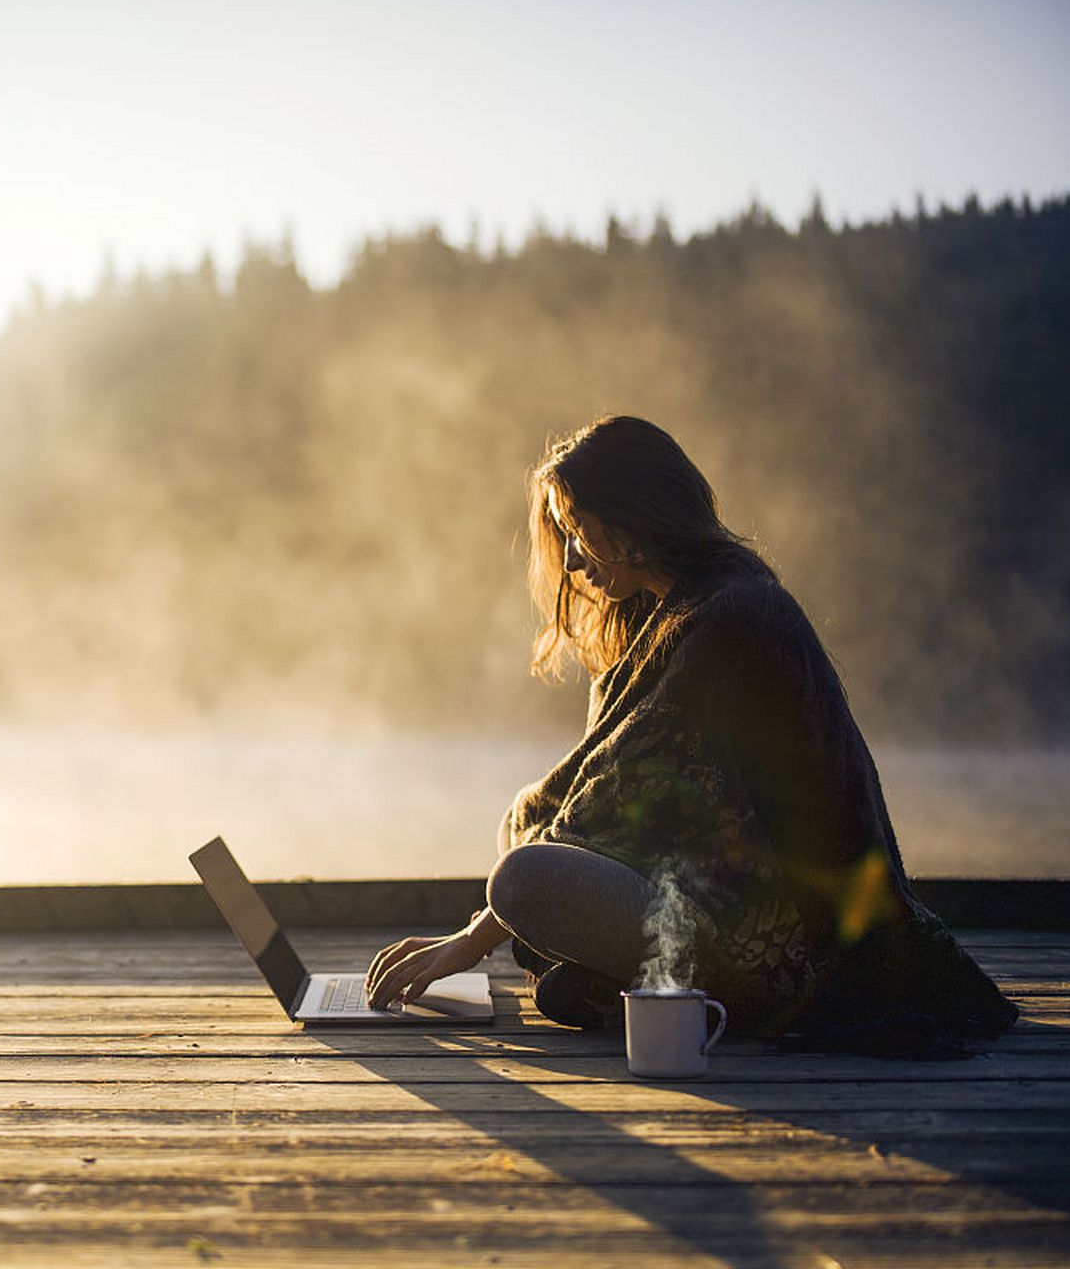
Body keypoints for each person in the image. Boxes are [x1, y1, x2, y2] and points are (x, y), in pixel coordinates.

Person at [364, 415, 1016, 1054]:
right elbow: (612, 800)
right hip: (716, 885)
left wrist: (471, 940)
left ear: (631, 517)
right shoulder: (677, 609)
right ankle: (635, 984)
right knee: (523, 820)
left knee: (522, 879)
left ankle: (702, 995)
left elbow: (622, 803)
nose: (568, 561)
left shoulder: (733, 615)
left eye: (577, 531)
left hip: (792, 930)